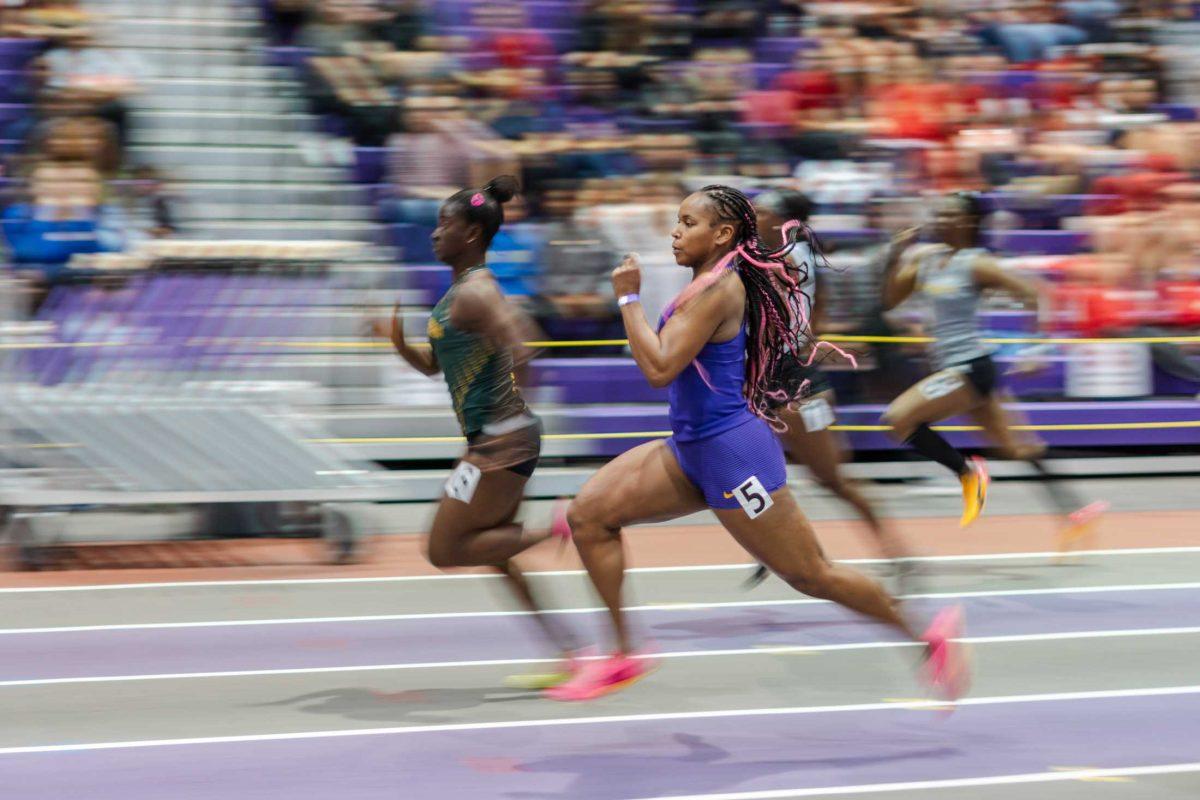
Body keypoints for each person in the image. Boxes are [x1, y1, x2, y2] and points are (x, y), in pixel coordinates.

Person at [547, 184, 968, 702]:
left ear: (722, 234)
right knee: (589, 516)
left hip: (732, 456)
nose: (675, 232)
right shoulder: (708, 282)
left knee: (812, 575)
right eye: (676, 221)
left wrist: (627, 297)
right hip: (691, 447)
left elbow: (658, 367)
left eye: (688, 223)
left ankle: (927, 637)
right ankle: (623, 655)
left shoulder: (716, 290)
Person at [372, 176, 582, 688]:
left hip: (499, 442)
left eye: (445, 224)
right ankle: (568, 654)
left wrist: (508, 412)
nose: (434, 233)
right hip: (494, 440)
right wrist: (398, 342)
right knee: (493, 553)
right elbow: (431, 366)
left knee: (444, 549)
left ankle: (560, 526)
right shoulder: (458, 293)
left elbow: (526, 346)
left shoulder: (478, 292)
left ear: (470, 233)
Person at [880, 191, 1106, 543]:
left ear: (969, 222)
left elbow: (1035, 295)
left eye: (949, 214)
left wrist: (1036, 348)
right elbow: (891, 300)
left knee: (897, 419)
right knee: (1019, 449)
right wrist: (896, 253)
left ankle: (968, 474)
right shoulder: (925, 260)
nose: (940, 220)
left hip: (969, 367)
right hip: (955, 368)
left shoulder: (975, 263)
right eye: (938, 213)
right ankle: (1074, 514)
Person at [744, 190, 907, 590]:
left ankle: (895, 552)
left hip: (798, 387)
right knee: (750, 471)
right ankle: (776, 548)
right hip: (770, 379)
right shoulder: (788, 255)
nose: (753, 214)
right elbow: (814, 319)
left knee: (832, 480)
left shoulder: (790, 256)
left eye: (760, 210)